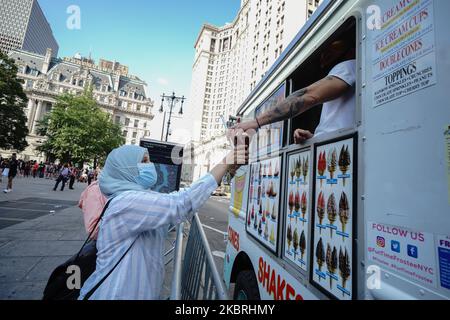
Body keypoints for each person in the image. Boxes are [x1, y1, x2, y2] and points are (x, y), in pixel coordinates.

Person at [78, 140, 248, 300]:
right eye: (144, 161)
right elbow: (181, 203)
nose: (150, 165)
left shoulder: (135, 198)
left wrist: (225, 170)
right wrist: (226, 161)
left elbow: (174, 204)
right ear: (126, 169)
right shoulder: (127, 203)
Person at [232, 36, 356, 143]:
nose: (324, 62)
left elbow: (307, 96)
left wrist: (256, 122)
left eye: (329, 55)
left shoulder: (348, 65)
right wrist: (313, 137)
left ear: (351, 52)